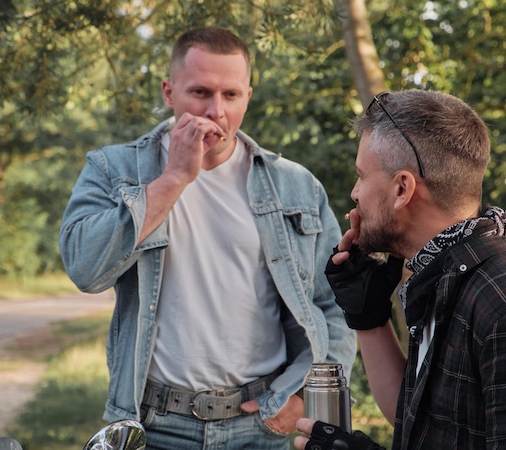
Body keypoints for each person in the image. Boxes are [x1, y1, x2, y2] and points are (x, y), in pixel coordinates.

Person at [59, 27, 356, 450]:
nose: (216, 110)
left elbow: (335, 304)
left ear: (247, 96)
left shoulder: (296, 186)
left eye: (231, 95)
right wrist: (174, 178)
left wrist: (304, 395)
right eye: (200, 92)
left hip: (261, 424)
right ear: (168, 92)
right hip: (156, 425)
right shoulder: (114, 169)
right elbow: (85, 270)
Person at [294, 89, 506, 450]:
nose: (355, 193)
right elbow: (420, 425)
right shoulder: (448, 275)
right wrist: (369, 319)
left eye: (361, 176)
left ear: (402, 188)